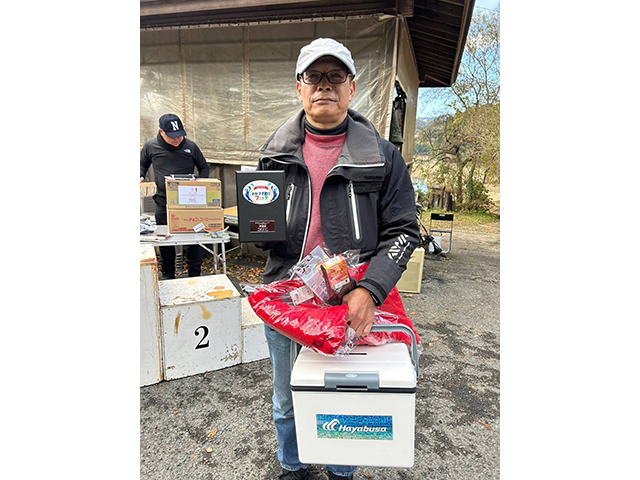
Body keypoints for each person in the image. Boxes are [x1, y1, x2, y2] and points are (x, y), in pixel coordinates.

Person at [257, 38, 420, 480]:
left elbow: (404, 232)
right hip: (289, 302)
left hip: (349, 305)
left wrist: (369, 289)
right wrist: (259, 232)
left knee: (342, 397)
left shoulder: (383, 158)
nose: (323, 86)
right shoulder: (273, 156)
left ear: (352, 87)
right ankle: (292, 468)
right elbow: (264, 230)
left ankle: (340, 471)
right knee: (287, 397)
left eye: (334, 77)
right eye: (313, 76)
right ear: (299, 88)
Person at [140, 113, 211, 279]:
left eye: (180, 135)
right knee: (165, 239)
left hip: (189, 203)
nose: (178, 139)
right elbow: (142, 164)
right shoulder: (150, 146)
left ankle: (195, 273)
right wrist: (140, 174)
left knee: (193, 238)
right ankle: (168, 273)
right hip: (163, 201)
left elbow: (203, 167)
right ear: (161, 132)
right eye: (173, 137)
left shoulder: (190, 146)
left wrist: (200, 184)